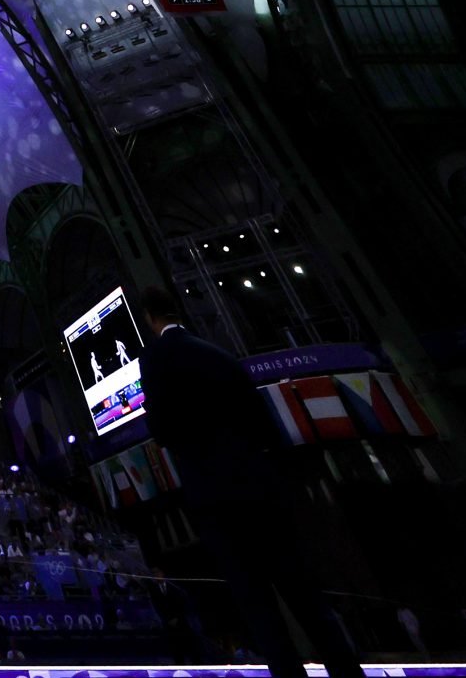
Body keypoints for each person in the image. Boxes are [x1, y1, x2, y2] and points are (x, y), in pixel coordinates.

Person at [135, 288, 364, 678]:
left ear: (147, 317)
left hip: (215, 497)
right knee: (306, 596)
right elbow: (265, 426)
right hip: (260, 488)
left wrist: (154, 413)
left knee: (257, 604)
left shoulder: (155, 356)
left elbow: (163, 429)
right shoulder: (222, 356)